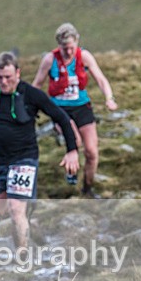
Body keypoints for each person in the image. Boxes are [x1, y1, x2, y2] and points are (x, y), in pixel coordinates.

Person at [0, 51, 78, 248]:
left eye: (8, 77)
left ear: (18, 73)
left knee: (16, 208)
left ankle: (22, 259)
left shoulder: (31, 94)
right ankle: (31, 232)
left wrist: (72, 151)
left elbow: (61, 117)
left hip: (24, 160)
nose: (3, 81)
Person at [32, 22, 118, 198]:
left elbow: (101, 79)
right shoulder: (50, 60)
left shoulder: (84, 56)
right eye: (64, 48)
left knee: (92, 152)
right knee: (75, 141)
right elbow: (37, 85)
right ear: (59, 45)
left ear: (77, 42)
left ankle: (87, 188)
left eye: (71, 47)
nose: (68, 52)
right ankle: (71, 171)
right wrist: (30, 107)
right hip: (60, 109)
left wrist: (109, 98)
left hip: (82, 107)